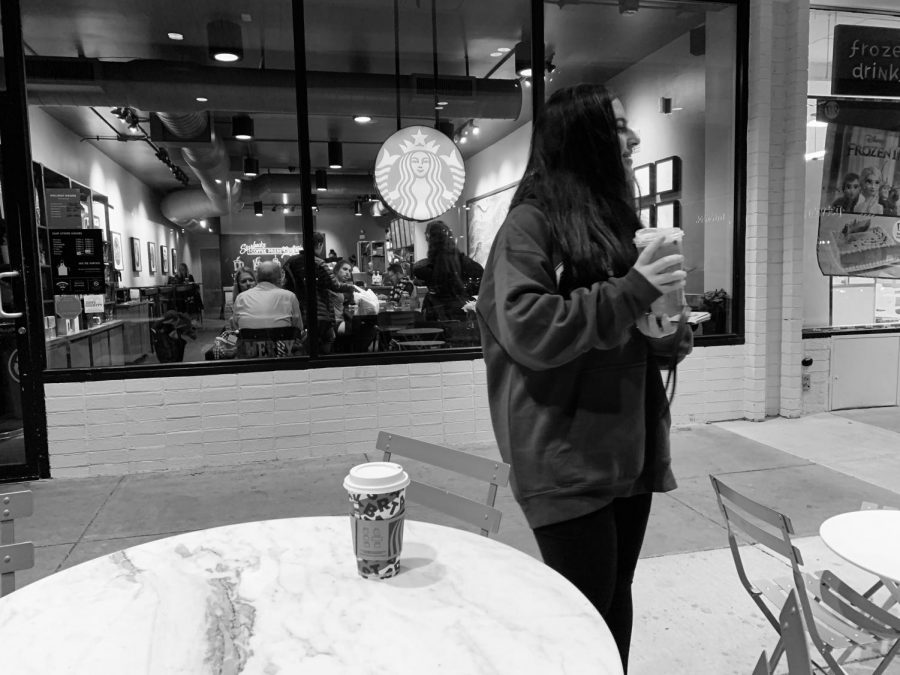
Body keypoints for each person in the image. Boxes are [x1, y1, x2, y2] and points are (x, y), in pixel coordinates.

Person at [475, 83, 692, 673]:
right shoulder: (530, 225)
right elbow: (529, 329)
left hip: (629, 452)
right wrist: (633, 290)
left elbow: (656, 339)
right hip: (565, 458)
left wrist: (666, 320)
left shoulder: (614, 225)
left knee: (614, 602)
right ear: (586, 138)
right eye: (619, 126)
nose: (635, 138)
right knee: (583, 616)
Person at [283, 232, 360, 354]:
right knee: (328, 339)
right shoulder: (319, 263)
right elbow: (335, 286)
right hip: (319, 312)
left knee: (305, 343)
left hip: (298, 310)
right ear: (319, 244)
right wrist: (352, 287)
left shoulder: (290, 262)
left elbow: (286, 285)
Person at [412, 220, 483, 320]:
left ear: (430, 240)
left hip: (438, 317)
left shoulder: (429, 268)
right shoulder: (470, 265)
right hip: (464, 315)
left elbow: (418, 269)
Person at [232, 261, 302, 332]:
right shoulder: (290, 296)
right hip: (283, 342)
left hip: (248, 342)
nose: (248, 283)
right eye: (243, 281)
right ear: (279, 278)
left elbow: (235, 330)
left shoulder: (241, 297)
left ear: (257, 278)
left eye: (250, 280)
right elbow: (298, 329)